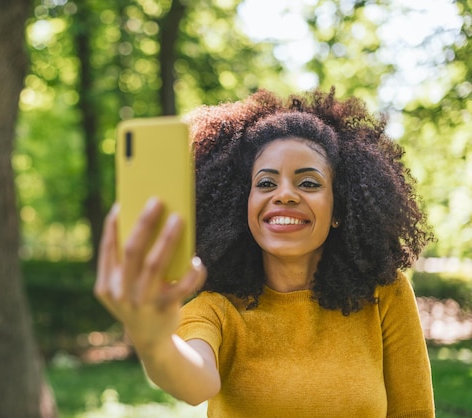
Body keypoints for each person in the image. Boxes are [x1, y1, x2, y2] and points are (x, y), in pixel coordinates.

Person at [94, 88, 435, 417]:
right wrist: (152, 339)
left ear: (340, 210)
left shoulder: (385, 294)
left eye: (309, 183)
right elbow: (194, 382)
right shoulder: (217, 310)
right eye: (266, 183)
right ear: (242, 206)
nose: (284, 195)